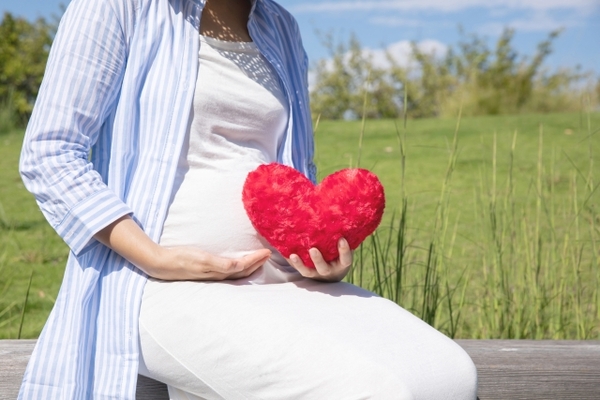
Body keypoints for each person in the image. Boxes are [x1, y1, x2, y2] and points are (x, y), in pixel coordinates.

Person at [18, 0, 478, 398]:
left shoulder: (280, 26)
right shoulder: (122, 7)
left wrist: (316, 253)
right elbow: (50, 153)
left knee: (450, 377)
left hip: (280, 279)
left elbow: (298, 171)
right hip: (159, 288)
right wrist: (155, 258)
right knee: (377, 392)